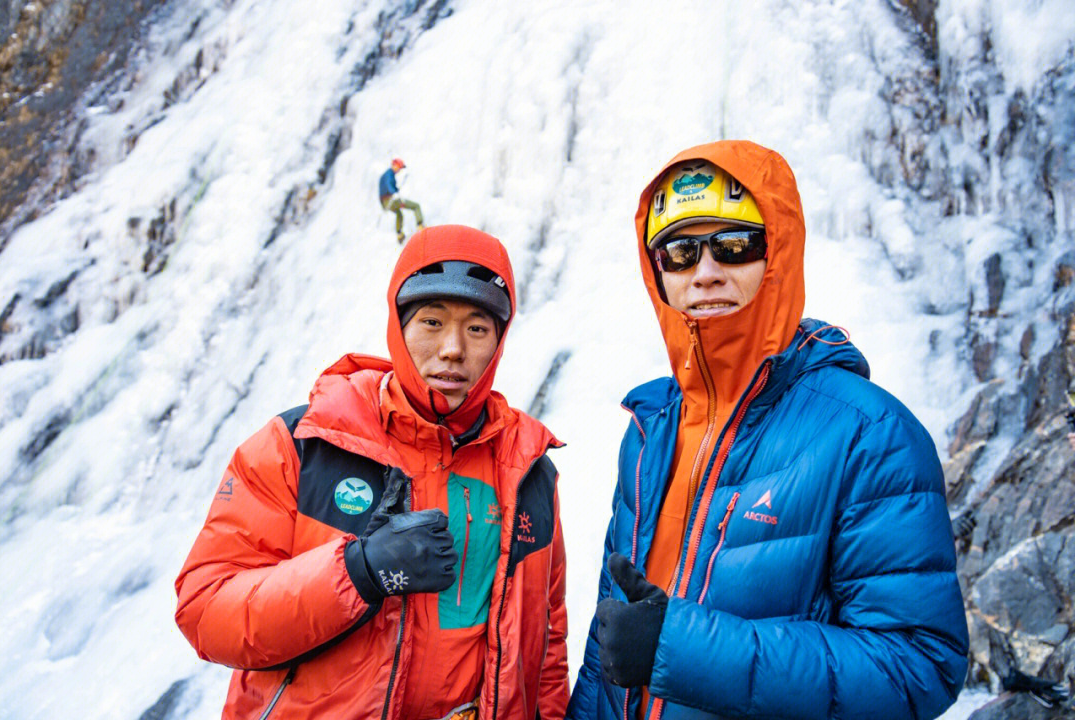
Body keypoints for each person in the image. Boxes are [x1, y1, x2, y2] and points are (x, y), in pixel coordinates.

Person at [566, 141, 969, 720]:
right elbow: (607, 647)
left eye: (733, 246)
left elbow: (919, 665)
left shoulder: (870, 434)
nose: (704, 273)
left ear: (776, 252)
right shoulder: (649, 428)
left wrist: (680, 649)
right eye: (679, 252)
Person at [176, 225, 568, 720]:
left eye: (477, 328)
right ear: (398, 327)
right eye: (430, 322)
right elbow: (205, 612)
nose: (453, 349)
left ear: (499, 341)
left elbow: (548, 649)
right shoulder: (301, 445)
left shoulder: (529, 472)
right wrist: (358, 572)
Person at [380, 157, 425, 244]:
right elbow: (389, 185)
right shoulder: (389, 174)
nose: (399, 170)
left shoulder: (389, 174)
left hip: (386, 203)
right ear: (394, 165)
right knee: (416, 206)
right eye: (399, 167)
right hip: (391, 201)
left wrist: (395, 189)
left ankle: (399, 234)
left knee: (399, 214)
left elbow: (390, 187)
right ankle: (420, 225)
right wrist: (394, 193)